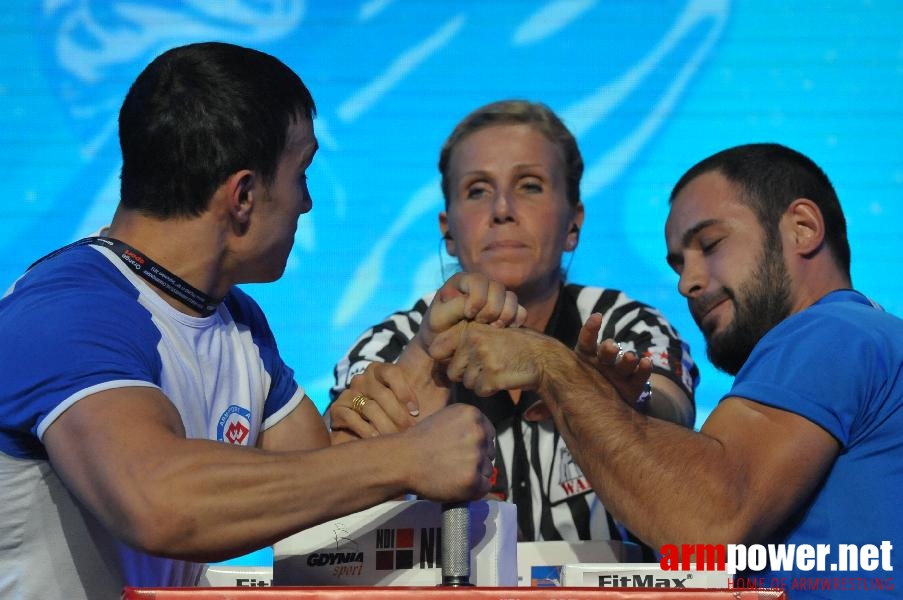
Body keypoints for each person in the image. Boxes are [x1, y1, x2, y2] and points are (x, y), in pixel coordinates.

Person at [0, 42, 514, 598]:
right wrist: (407, 459)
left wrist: (426, 358)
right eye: (303, 173)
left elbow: (318, 484)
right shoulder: (68, 310)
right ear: (243, 194)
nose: (307, 203)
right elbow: (158, 503)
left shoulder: (233, 316)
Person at [425, 142, 903, 591]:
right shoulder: (859, 335)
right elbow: (355, 405)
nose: (688, 283)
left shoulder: (830, 333)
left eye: (711, 244)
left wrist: (554, 366)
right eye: (678, 265)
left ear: (802, 227)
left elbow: (708, 522)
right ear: (447, 228)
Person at [328, 100, 699, 547]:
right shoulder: (394, 340)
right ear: (449, 230)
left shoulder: (623, 322)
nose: (502, 209)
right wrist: (403, 383)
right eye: (478, 191)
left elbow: (673, 415)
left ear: (573, 224)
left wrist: (621, 406)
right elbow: (338, 449)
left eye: (529, 186)